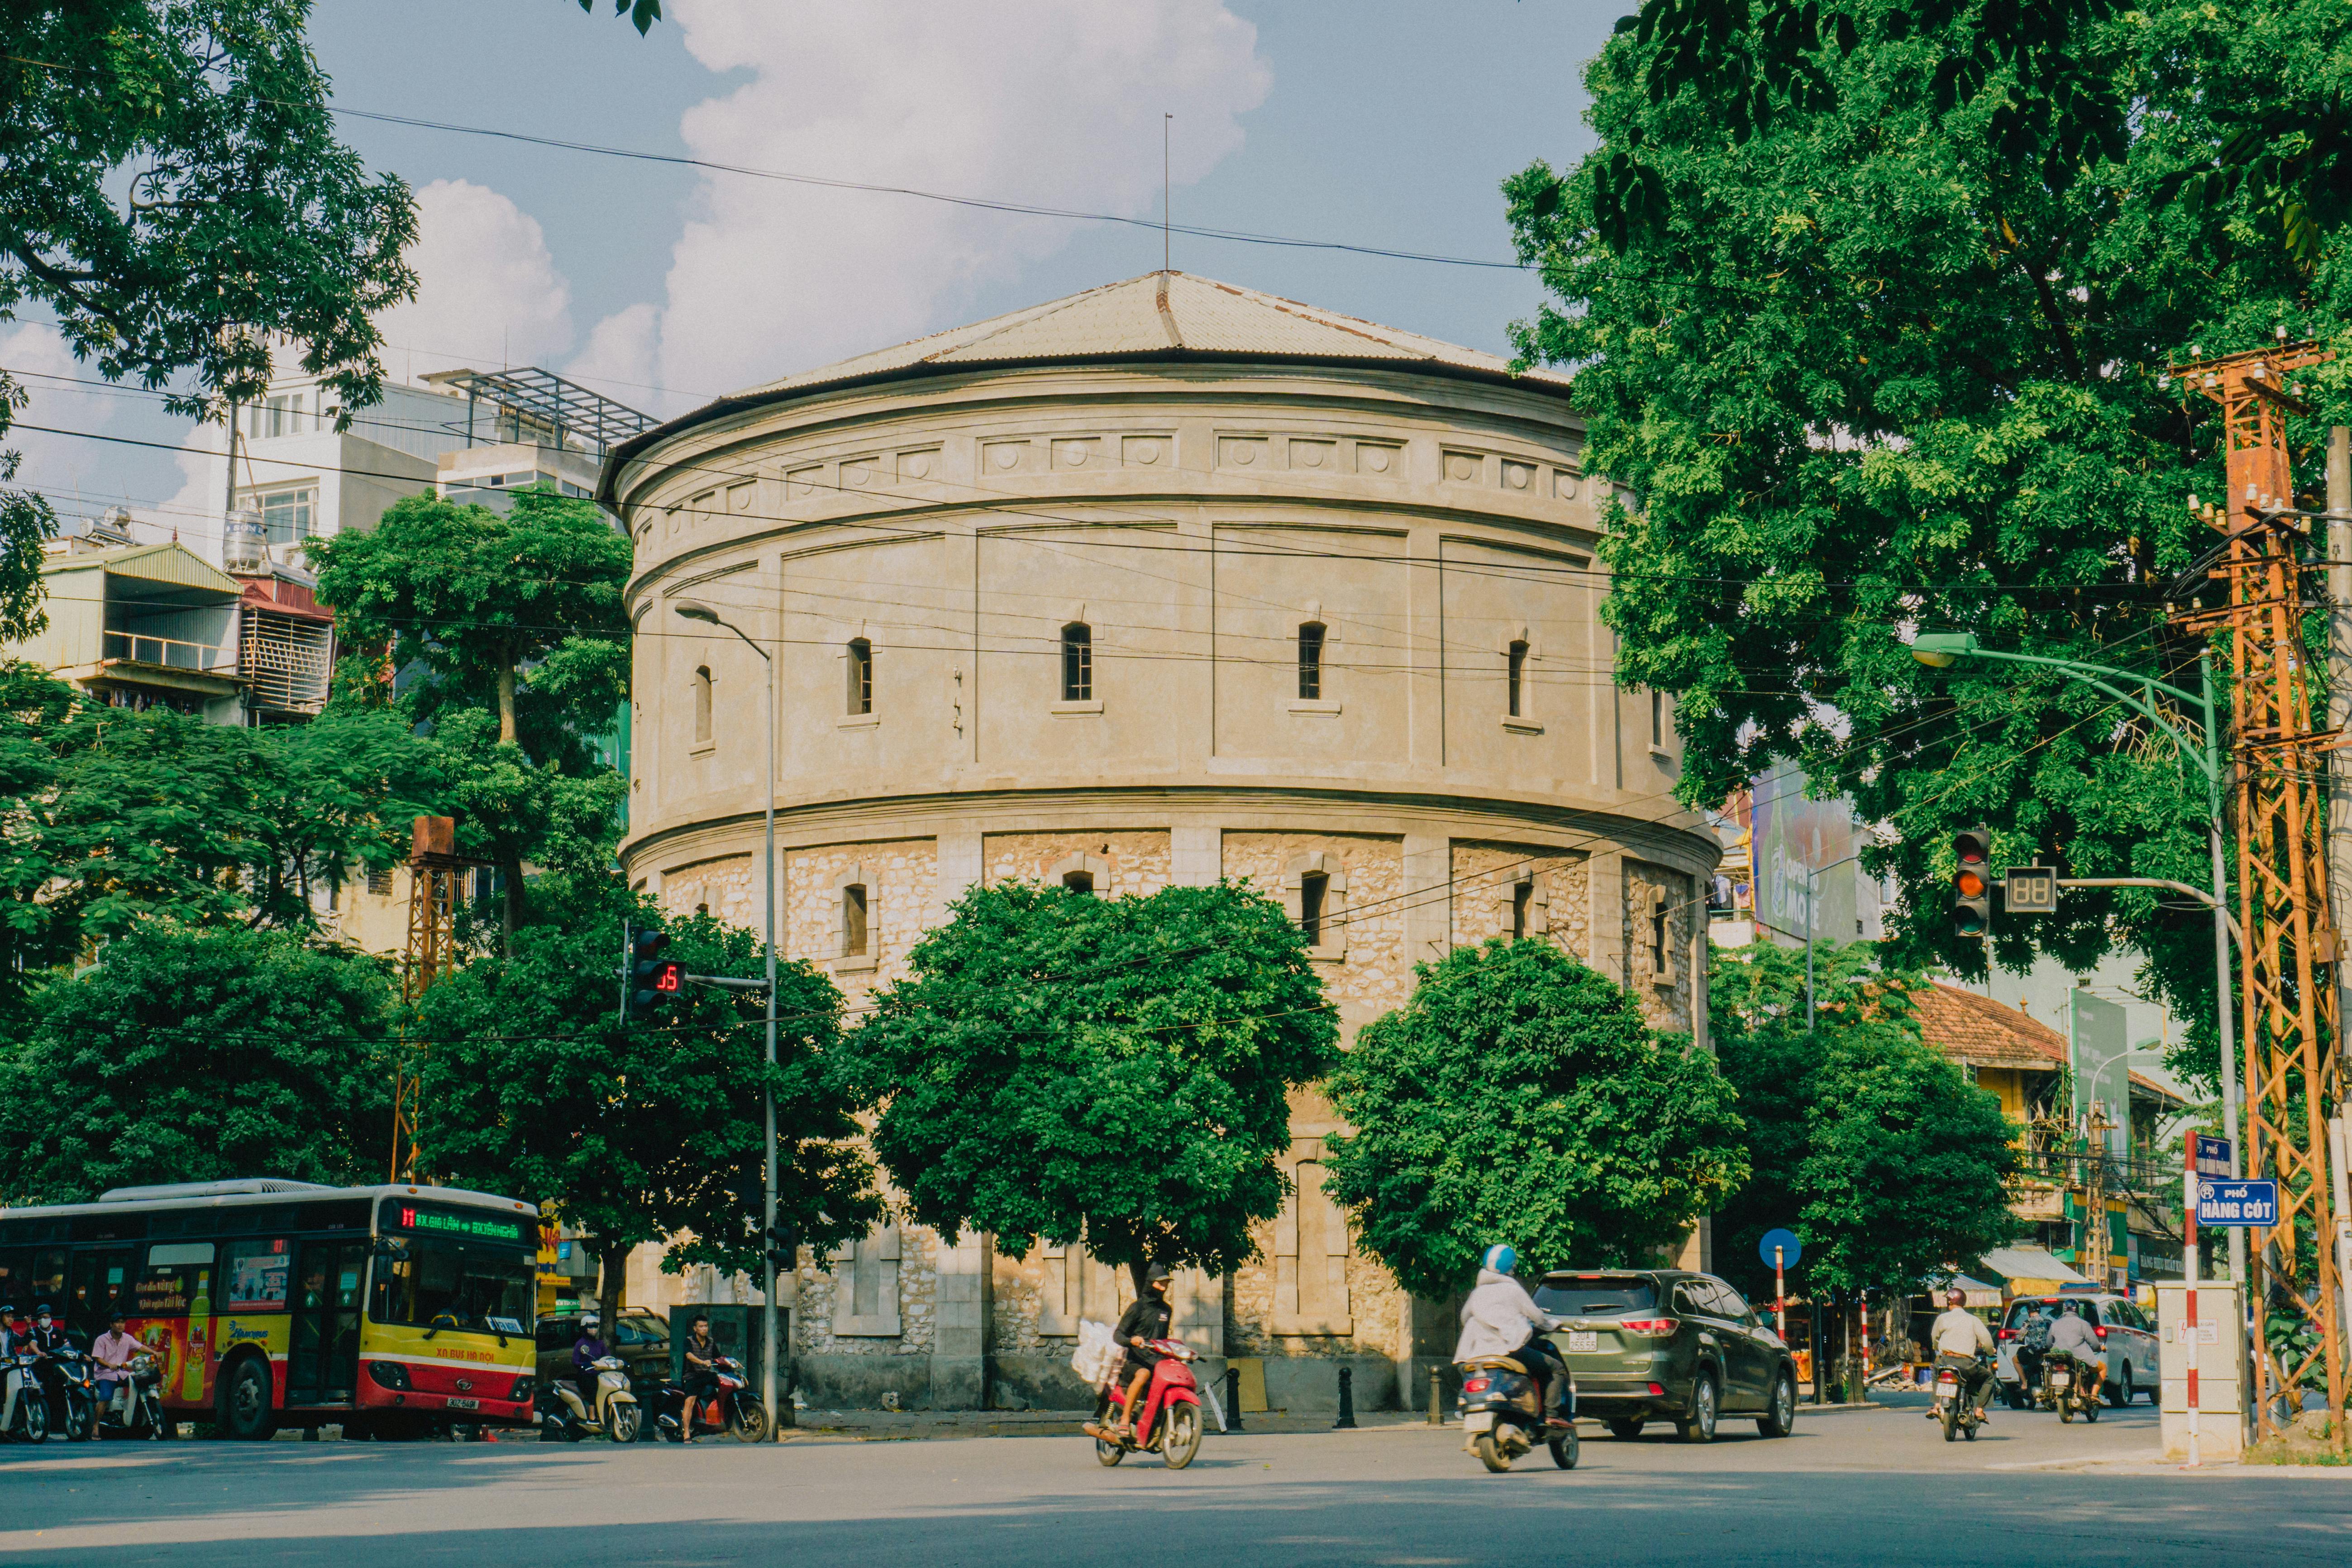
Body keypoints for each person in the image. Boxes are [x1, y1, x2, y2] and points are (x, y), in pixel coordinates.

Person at [1452, 1244, 1570, 1427]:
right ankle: (1552, 1414)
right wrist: (1553, 1325)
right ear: (1510, 1267)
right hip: (1508, 1350)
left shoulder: (1477, 1293)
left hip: (1476, 1354)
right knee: (1556, 1368)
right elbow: (1538, 1318)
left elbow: (1465, 1318)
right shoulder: (1513, 1290)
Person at [1088, 1263, 1176, 1443]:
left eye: (1166, 1283)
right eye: (1160, 1283)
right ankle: (1126, 1419)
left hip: (1156, 1360)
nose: (1164, 1287)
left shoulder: (1166, 1310)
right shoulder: (1137, 1308)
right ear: (1151, 1283)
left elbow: (1163, 1338)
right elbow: (1118, 1335)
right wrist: (1132, 1340)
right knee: (1143, 1374)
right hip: (1134, 1361)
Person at [1928, 1286, 1996, 1421]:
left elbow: (1934, 1337)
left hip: (1946, 1361)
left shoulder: (1942, 1318)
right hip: (1967, 1365)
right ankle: (1979, 1410)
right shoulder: (1973, 1320)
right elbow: (1987, 1341)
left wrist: (1937, 1348)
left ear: (1950, 1302)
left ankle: (1936, 1406)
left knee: (1936, 1372)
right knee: (1989, 1378)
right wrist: (1990, 1351)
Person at [2046, 1299, 2106, 1398]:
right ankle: (2094, 1395)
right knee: (2103, 1368)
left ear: (2064, 1309)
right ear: (2077, 1309)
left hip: (2059, 1359)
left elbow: (2048, 1344)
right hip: (2079, 1359)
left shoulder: (2055, 1324)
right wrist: (2100, 1348)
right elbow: (2095, 1345)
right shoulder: (2083, 1324)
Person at [91, 1312, 145, 1418]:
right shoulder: (102, 1339)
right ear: (111, 1325)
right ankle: (95, 1426)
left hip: (122, 1373)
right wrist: (109, 1365)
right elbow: (98, 1358)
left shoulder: (127, 1338)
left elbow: (140, 1347)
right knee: (106, 1398)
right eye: (117, 1322)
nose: (120, 1325)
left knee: (140, 1383)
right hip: (105, 1374)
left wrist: (155, 1353)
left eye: (122, 1322)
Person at [678, 1314, 720, 1443]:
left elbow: (719, 1358)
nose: (704, 1329)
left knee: (724, 1386)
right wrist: (702, 1362)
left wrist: (731, 1362)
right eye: (701, 1326)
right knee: (690, 1401)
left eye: (706, 1326)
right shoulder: (689, 1341)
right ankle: (686, 1433)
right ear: (695, 1329)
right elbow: (689, 1356)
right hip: (692, 1376)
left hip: (706, 1375)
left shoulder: (711, 1342)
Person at [568, 1315, 610, 1419]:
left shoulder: (600, 1344)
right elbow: (575, 1361)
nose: (593, 1329)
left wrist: (612, 1361)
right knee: (594, 1390)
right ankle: (592, 1416)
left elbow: (607, 1356)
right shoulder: (581, 1344)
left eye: (596, 1327)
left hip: (599, 1375)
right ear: (584, 1328)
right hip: (585, 1376)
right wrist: (584, 1365)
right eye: (590, 1327)